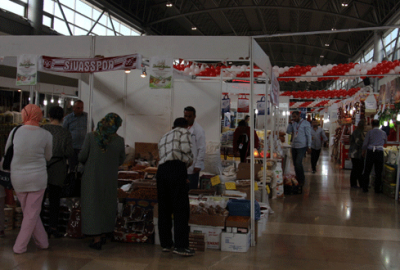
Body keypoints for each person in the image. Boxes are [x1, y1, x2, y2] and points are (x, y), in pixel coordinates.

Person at [7, 104, 53, 254]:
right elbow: (48, 156)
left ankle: (43, 242)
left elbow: (8, 151)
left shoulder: (15, 131)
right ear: (39, 115)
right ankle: (19, 246)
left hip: (18, 177)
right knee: (32, 213)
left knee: (29, 212)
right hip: (37, 177)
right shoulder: (46, 135)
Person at [78, 113, 125, 250]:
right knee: (107, 204)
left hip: (91, 177)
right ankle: (104, 234)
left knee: (92, 204)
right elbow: (121, 160)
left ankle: (96, 238)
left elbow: (82, 156)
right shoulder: (119, 141)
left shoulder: (91, 137)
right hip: (110, 178)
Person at [156, 117, 194, 257]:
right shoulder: (184, 132)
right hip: (176, 169)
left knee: (164, 208)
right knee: (181, 208)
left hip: (161, 172)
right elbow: (185, 151)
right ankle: (181, 246)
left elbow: (160, 155)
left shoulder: (164, 136)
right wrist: (189, 162)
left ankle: (166, 244)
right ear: (186, 126)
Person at [41, 106, 74, 238]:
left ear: (49, 115)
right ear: (63, 117)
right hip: (58, 167)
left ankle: (39, 227)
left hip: (43, 166)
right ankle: (53, 227)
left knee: (40, 199)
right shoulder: (65, 132)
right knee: (55, 199)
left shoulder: (43, 130)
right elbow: (69, 152)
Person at [361, 119, 387, 193]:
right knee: (378, 171)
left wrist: (363, 151)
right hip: (379, 152)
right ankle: (377, 188)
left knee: (367, 170)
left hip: (371, 152)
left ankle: (365, 187)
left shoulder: (369, 132)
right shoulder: (383, 133)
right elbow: (385, 141)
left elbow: (365, 143)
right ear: (379, 125)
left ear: (372, 125)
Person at [63, 100, 89, 172]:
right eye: (78, 108)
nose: (80, 110)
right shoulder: (68, 118)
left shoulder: (87, 117)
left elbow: (91, 129)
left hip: (83, 147)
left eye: (81, 108)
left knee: (83, 168)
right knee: (73, 168)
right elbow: (64, 132)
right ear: (73, 108)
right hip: (72, 147)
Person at [286, 111, 311, 185]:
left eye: (295, 116)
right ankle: (298, 178)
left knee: (298, 162)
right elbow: (288, 131)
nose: (293, 118)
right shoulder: (293, 123)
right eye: (292, 117)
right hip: (294, 146)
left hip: (302, 146)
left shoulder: (305, 123)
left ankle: (302, 179)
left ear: (299, 115)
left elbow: (308, 135)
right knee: (295, 163)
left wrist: (309, 146)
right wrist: (290, 123)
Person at [183, 106, 206, 190]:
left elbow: (202, 148)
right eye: (185, 116)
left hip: (193, 166)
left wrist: (198, 164)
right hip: (183, 165)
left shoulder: (198, 130)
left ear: (194, 116)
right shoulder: (183, 128)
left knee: (191, 189)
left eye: (189, 116)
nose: (187, 118)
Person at [349, 120, 365, 188]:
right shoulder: (358, 132)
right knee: (356, 168)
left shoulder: (358, 131)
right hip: (356, 153)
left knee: (358, 168)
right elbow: (358, 142)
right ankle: (353, 184)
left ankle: (359, 183)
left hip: (356, 153)